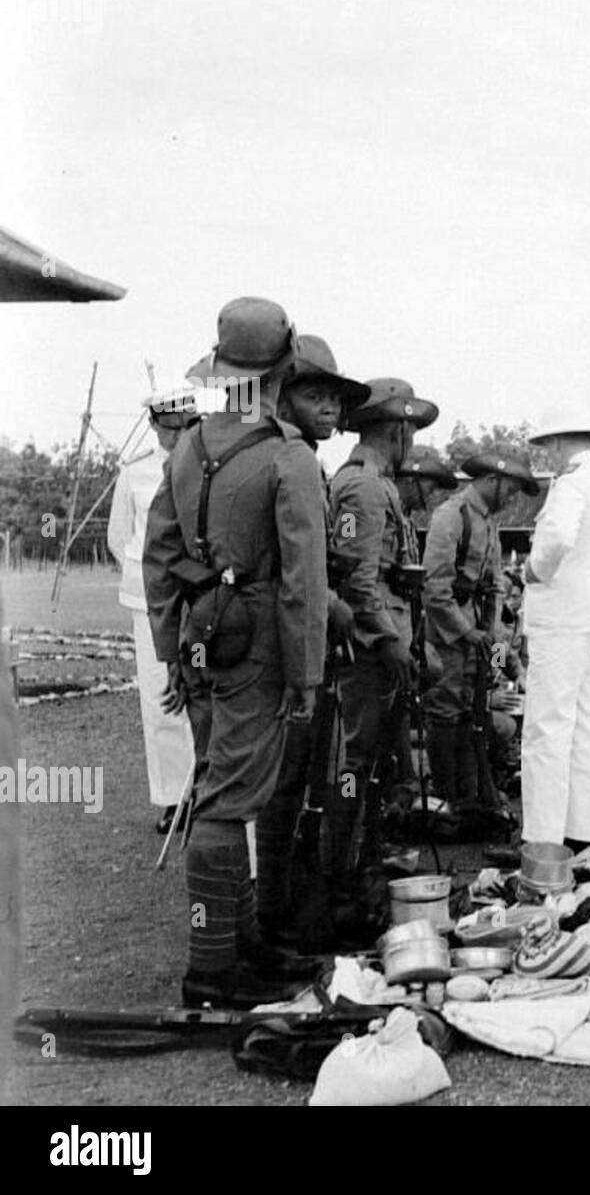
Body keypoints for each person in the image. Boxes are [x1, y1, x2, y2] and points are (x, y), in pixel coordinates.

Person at [144, 296, 328, 1007]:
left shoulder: (187, 446)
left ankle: (240, 941)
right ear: (281, 373)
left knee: (216, 780)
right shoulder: (288, 457)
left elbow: (159, 553)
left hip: (199, 637)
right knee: (227, 801)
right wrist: (305, 673)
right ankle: (214, 968)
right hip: (255, 641)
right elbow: (302, 580)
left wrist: (168, 648)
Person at [255, 334, 370, 948]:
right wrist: (331, 607)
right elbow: (289, 566)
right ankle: (277, 920)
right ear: (283, 394)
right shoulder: (288, 458)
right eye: (314, 394)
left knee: (299, 786)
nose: (328, 407)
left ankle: (288, 910)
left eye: (334, 397)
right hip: (287, 644)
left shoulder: (303, 457)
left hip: (299, 636)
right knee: (284, 785)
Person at [325, 377, 437, 932]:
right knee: (355, 768)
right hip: (369, 654)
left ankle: (361, 873)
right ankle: (343, 884)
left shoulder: (372, 485)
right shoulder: (364, 490)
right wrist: (392, 643)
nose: (411, 441)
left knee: (370, 770)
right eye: (410, 431)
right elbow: (359, 582)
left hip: (381, 649)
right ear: (397, 429)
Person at [520, 407, 590, 851]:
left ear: (562, 442)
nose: (549, 453)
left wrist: (533, 571)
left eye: (549, 445)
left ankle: (542, 838)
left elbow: (558, 539)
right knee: (586, 726)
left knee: (548, 729)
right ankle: (585, 832)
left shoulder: (571, 486)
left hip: (563, 620)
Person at [422, 451, 538, 809]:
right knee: (446, 714)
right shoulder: (451, 517)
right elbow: (433, 588)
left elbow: (494, 587)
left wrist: (508, 661)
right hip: (445, 636)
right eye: (510, 491)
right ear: (492, 481)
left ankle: (471, 799)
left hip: (474, 632)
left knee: (473, 715)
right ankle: (446, 800)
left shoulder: (488, 524)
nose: (511, 499)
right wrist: (467, 632)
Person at [107, 384, 199, 833]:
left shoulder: (203, 466)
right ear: (154, 426)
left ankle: (208, 789)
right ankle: (172, 797)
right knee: (160, 697)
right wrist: (154, 586)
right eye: (169, 428)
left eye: (186, 427)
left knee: (206, 687)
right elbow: (119, 538)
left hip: (199, 597)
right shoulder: (136, 473)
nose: (177, 437)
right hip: (151, 600)